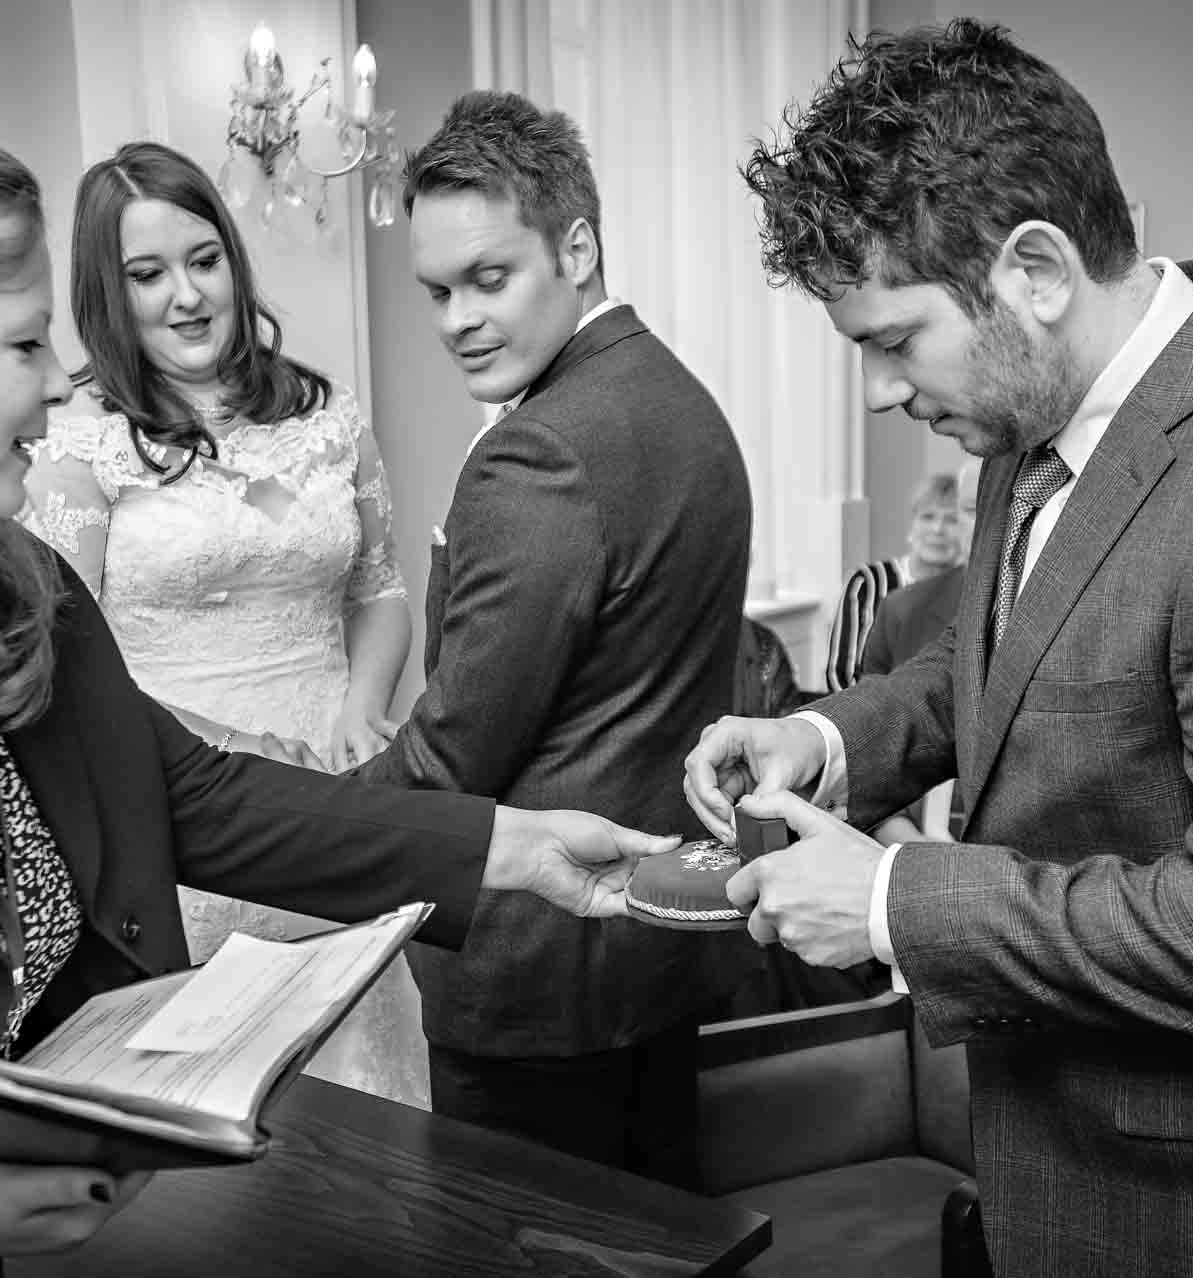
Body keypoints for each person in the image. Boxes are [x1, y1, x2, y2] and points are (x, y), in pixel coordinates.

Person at [0, 88, 673, 1274]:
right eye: (24, 346)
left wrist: (513, 848)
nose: (57, 388)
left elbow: (200, 801)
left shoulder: (10, 589)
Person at [687, 20, 1193, 1275]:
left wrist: (886, 899)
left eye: (892, 340)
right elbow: (1021, 656)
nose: (874, 391)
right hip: (1062, 1162)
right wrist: (827, 736)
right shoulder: (1032, 418)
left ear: (1034, 268)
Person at [351, 90, 751, 1188]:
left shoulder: (540, 452)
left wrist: (304, 820)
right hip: (657, 954)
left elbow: (452, 756)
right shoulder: (684, 402)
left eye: (489, 278)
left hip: (531, 975)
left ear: (576, 246)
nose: (456, 320)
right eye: (436, 290)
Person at [22, 142, 427, 1105]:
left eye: (204, 261)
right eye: (147, 274)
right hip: (190, 798)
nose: (187, 295)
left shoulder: (327, 417)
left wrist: (360, 712)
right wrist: (242, 747)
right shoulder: (76, 444)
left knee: (370, 1091)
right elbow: (76, 667)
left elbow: (379, 589)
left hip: (338, 777)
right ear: (106, 295)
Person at [857, 460, 978, 680]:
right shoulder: (878, 588)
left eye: (950, 519)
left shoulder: (974, 592)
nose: (938, 529)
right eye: (928, 517)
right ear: (912, 524)